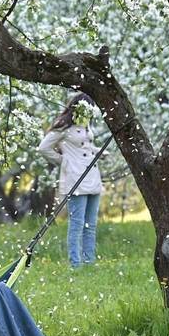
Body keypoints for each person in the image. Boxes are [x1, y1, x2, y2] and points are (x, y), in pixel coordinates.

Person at [38, 93, 103, 268]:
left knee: (91, 224)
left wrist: (97, 152)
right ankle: (76, 264)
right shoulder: (63, 127)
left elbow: (85, 146)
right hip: (76, 178)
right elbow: (43, 148)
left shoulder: (86, 125)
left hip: (92, 176)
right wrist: (64, 161)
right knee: (77, 224)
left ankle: (89, 261)